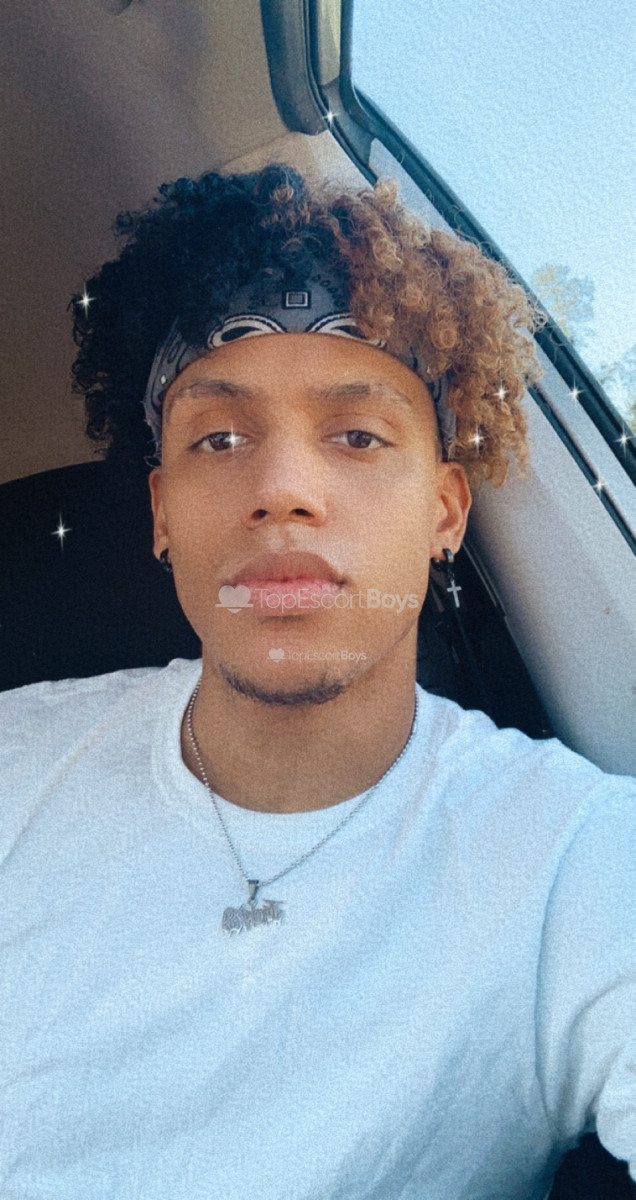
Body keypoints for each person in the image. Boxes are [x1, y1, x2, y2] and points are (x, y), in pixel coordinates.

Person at [1, 163, 634, 1199]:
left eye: (357, 435)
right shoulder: (14, 762)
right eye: (220, 438)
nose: (283, 490)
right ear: (162, 514)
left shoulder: (579, 860)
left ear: (444, 513)